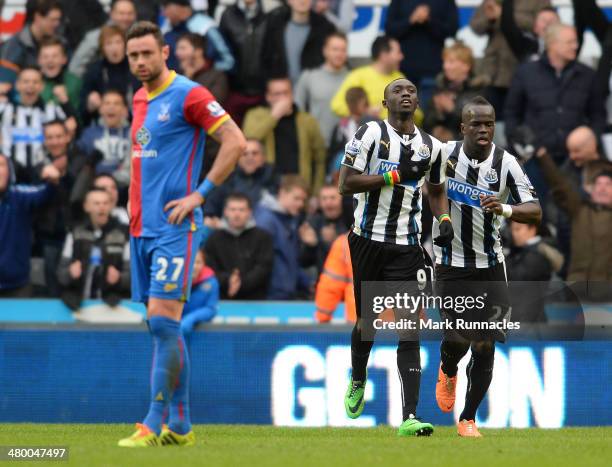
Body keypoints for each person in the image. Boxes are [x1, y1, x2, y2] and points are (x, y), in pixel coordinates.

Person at [118, 21, 245, 447]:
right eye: (132, 54)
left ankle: (153, 422)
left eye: (146, 53)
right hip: (141, 229)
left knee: (161, 321)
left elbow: (235, 141)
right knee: (163, 327)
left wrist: (200, 194)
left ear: (165, 52)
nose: (139, 61)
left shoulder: (189, 94)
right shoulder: (138, 96)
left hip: (175, 226)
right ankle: (183, 427)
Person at [338, 78, 452, 436]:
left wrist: (444, 217)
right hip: (367, 240)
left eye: (411, 90)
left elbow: (435, 190)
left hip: (407, 246)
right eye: (398, 90)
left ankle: (410, 417)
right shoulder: (370, 133)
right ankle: (358, 377)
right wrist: (395, 175)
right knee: (367, 322)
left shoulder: (431, 146)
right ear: (384, 102)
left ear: (417, 101)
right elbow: (346, 183)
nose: (406, 93)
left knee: (409, 326)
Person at [433, 96, 541, 437]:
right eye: (476, 124)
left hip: (490, 265)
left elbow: (534, 209)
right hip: (451, 264)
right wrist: (444, 217)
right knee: (459, 338)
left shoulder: (506, 162)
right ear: (463, 127)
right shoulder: (444, 154)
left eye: (489, 124)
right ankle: (448, 368)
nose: (483, 129)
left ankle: (467, 419)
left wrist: (506, 210)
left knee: (484, 343)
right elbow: (431, 188)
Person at [533, 148, 612, 301]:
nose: (602, 188)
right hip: (576, 292)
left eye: (608, 184)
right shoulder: (579, 210)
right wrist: (544, 157)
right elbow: (561, 186)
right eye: (598, 184)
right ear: (592, 191)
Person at [243, 77, 326, 193]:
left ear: (292, 95)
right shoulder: (255, 115)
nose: (282, 98)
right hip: (266, 185)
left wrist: (317, 192)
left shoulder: (307, 120)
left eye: (285, 93)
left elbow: (320, 158)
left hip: (300, 186)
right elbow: (249, 139)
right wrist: (274, 116)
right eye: (277, 94)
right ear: (268, 97)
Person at [470, 0, 551, 116]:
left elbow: (543, 24)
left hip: (522, 66)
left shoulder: (538, 2)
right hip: (494, 71)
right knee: (492, 120)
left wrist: (505, 15)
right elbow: (475, 26)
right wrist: (490, 19)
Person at [57, 188, 130, 310]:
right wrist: (70, 273)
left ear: (111, 206)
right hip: (77, 304)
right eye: (96, 203)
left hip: (113, 305)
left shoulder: (124, 235)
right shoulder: (75, 233)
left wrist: (120, 278)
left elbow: (133, 276)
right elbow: (60, 274)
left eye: (105, 203)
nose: (101, 207)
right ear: (86, 207)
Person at [33, 120, 84, 296]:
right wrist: (46, 178)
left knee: (78, 282)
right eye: (50, 137)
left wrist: (61, 177)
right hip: (49, 236)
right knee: (51, 286)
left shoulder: (80, 159)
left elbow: (78, 192)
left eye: (59, 136)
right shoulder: (39, 164)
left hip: (77, 233)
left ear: (68, 137)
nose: (55, 141)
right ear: (44, 140)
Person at [0, 67, 76, 183]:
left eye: (35, 82)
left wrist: (65, 101)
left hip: (43, 171)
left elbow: (73, 127)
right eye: (26, 81)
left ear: (42, 86)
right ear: (17, 85)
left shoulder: (52, 110)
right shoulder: (4, 109)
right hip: (10, 172)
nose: (30, 85)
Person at [0, 154, 59, 297]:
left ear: (9, 171)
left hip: (17, 285)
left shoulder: (19, 195)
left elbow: (46, 192)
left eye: (1, 165)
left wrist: (52, 179)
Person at [385, 0, 458, 106]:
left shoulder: (446, 2)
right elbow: (389, 29)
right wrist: (411, 20)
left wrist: (429, 20)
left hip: (433, 71)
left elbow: (452, 30)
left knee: (428, 115)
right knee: (402, 114)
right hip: (404, 71)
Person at [205, 193, 274, 299]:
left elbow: (264, 267)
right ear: (225, 212)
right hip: (222, 299)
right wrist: (228, 280)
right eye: (232, 209)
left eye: (241, 210)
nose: (237, 214)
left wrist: (241, 283)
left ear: (249, 212)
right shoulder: (214, 239)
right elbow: (210, 268)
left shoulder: (263, 237)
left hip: (256, 301)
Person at [254, 175, 312, 299]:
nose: (300, 204)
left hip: (285, 290)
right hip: (271, 293)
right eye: (296, 198)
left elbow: (291, 259)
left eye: (303, 200)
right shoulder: (266, 221)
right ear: (282, 193)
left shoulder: (290, 219)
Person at [423, 41, 488, 142]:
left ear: (466, 66)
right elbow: (427, 123)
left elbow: (478, 126)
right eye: (444, 62)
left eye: (451, 62)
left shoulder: (477, 89)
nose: (445, 66)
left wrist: (452, 110)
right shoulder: (440, 86)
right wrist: (437, 114)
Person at [330, 36, 405, 121]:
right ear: (384, 55)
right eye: (398, 53)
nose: (401, 57)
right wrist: (364, 112)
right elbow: (337, 105)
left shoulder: (401, 78)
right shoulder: (358, 76)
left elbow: (418, 114)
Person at [218, 0, 268, 125]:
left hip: (263, 90)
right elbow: (222, 51)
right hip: (235, 90)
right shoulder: (228, 15)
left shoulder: (269, 13)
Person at [262, 0, 336, 84]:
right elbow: (266, 58)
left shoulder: (325, 28)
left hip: (314, 89)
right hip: (282, 91)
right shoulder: (275, 25)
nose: (302, 1)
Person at [295, 32, 349, 146]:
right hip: (314, 143)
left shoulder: (354, 78)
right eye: (335, 49)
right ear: (325, 51)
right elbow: (297, 109)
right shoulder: (309, 76)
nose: (339, 54)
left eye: (343, 50)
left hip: (346, 145)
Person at [203, 138, 279, 219]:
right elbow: (211, 207)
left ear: (263, 157)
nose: (250, 157)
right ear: (238, 159)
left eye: (255, 153)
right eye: (245, 154)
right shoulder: (227, 178)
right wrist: (209, 217)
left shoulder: (274, 177)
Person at [80, 25, 140, 124]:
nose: (114, 48)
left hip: (133, 122)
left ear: (125, 45)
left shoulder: (135, 67)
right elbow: (82, 112)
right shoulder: (94, 70)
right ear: (102, 48)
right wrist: (90, 105)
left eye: (118, 42)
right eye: (109, 44)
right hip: (102, 124)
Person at [506, 221, 563, 323]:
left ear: (532, 229)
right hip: (519, 318)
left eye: (518, 229)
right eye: (512, 229)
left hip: (530, 321)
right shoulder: (518, 252)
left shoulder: (538, 254)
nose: (513, 233)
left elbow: (517, 277)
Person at [0, 0, 63, 90]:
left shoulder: (59, 41)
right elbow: (5, 79)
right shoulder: (15, 45)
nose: (57, 24)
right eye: (52, 20)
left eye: (58, 20)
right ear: (38, 17)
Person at [77, 90, 131, 189]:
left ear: (125, 110)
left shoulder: (133, 133)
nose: (111, 107)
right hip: (94, 186)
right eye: (107, 103)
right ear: (100, 109)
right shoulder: (89, 133)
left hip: (125, 188)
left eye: (117, 103)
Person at [69, 0, 137, 78]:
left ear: (135, 15)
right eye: (121, 13)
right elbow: (76, 67)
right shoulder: (96, 36)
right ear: (112, 14)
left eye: (130, 13)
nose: (126, 18)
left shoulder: (140, 35)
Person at [160, 0, 235, 72]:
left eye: (166, 7)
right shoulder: (166, 29)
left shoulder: (205, 27)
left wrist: (204, 69)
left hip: (204, 82)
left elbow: (228, 61)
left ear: (178, 6)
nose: (163, 13)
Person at [302, 183, 347, 274]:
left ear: (341, 199)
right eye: (324, 198)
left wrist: (334, 241)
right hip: (324, 282)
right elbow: (304, 262)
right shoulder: (313, 222)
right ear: (319, 202)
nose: (328, 202)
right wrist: (310, 246)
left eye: (332, 198)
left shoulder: (351, 220)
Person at [175, 33, 229, 105]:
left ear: (198, 51)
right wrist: (187, 76)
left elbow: (213, 104)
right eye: (177, 49)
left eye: (183, 48)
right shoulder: (177, 76)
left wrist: (188, 80)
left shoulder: (217, 76)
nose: (177, 53)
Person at [314, 232, 355, 322]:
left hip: (360, 323)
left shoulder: (346, 242)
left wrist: (322, 317)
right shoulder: (345, 243)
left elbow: (330, 285)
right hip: (387, 321)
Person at [38, 37, 82, 115]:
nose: (50, 60)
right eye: (45, 57)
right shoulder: (32, 82)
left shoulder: (75, 83)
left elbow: (81, 118)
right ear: (39, 61)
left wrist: (65, 101)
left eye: (55, 56)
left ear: (64, 59)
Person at [181, 248, 219, 334]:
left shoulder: (212, 282)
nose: (194, 266)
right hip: (175, 331)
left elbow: (211, 309)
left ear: (203, 264)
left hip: (200, 332)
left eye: (198, 262)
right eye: (190, 262)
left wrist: (191, 318)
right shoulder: (175, 281)